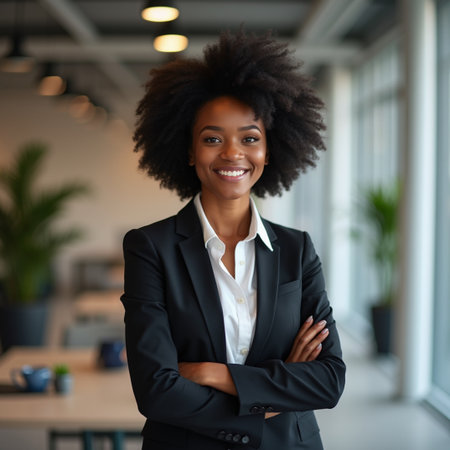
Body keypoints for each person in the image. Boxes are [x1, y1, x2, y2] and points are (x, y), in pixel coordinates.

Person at [121, 30, 345, 450]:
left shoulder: (298, 251)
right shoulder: (150, 248)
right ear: (189, 151)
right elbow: (156, 390)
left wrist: (214, 373)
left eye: (249, 138)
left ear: (269, 150)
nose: (232, 153)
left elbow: (329, 380)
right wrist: (273, 398)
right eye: (212, 138)